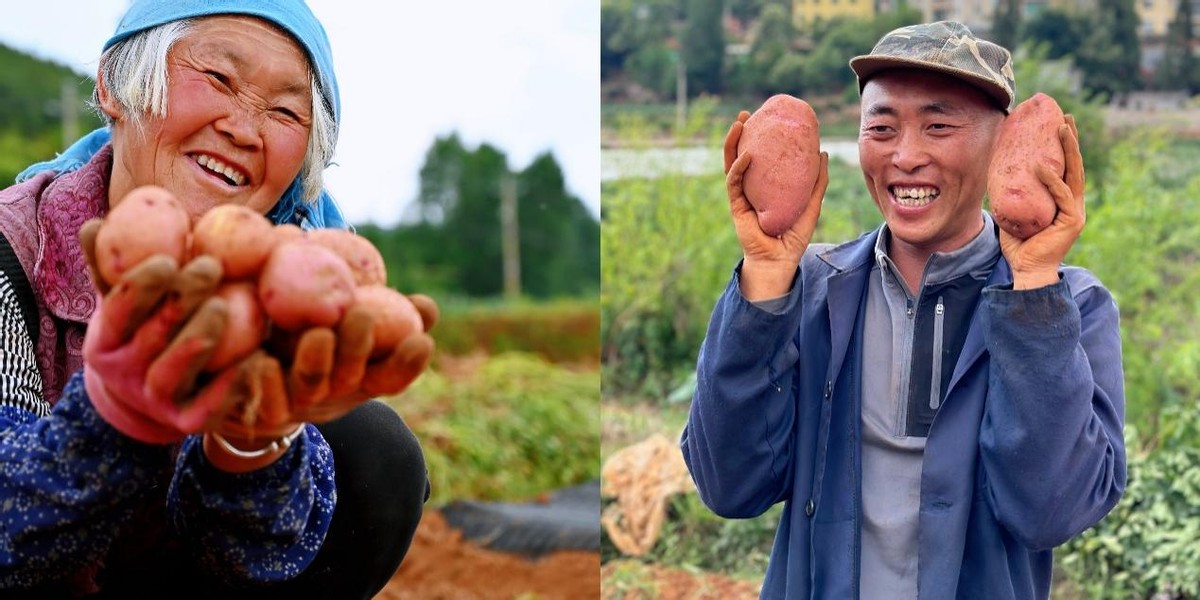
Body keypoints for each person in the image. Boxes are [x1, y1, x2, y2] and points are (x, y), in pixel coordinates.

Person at [0, 1, 434, 597]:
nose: (243, 128)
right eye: (219, 78)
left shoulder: (280, 295)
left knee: (373, 455)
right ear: (113, 86)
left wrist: (251, 441)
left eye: (285, 112)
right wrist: (122, 412)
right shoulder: (12, 250)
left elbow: (247, 561)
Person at [681, 21, 1126, 599]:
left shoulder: (1072, 307)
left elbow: (1052, 511)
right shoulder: (811, 291)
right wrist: (765, 273)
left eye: (938, 126)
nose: (906, 156)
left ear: (1002, 144)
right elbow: (729, 486)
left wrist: (1034, 287)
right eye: (882, 128)